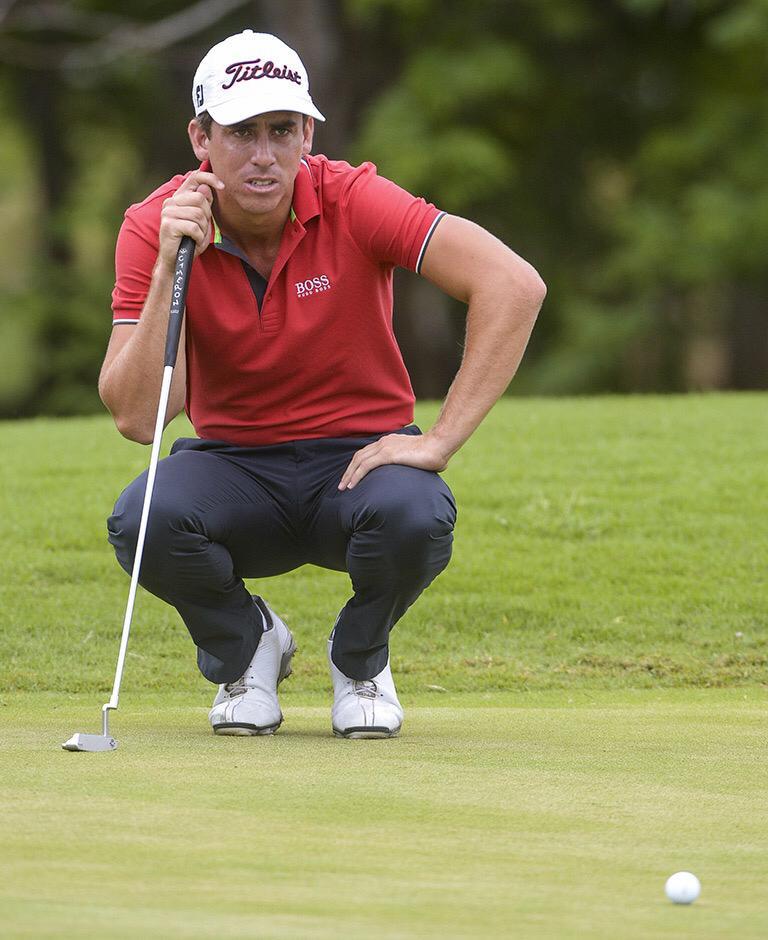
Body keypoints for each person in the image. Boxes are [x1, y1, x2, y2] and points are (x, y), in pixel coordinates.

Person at [101, 30, 545, 740]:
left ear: (308, 134)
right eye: (241, 132)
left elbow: (513, 284)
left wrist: (439, 440)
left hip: (358, 463)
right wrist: (166, 267)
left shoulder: (353, 199)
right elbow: (138, 417)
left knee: (416, 513)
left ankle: (359, 659)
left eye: (283, 130)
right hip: (235, 466)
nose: (264, 154)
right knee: (143, 517)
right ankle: (248, 648)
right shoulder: (156, 225)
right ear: (200, 139)